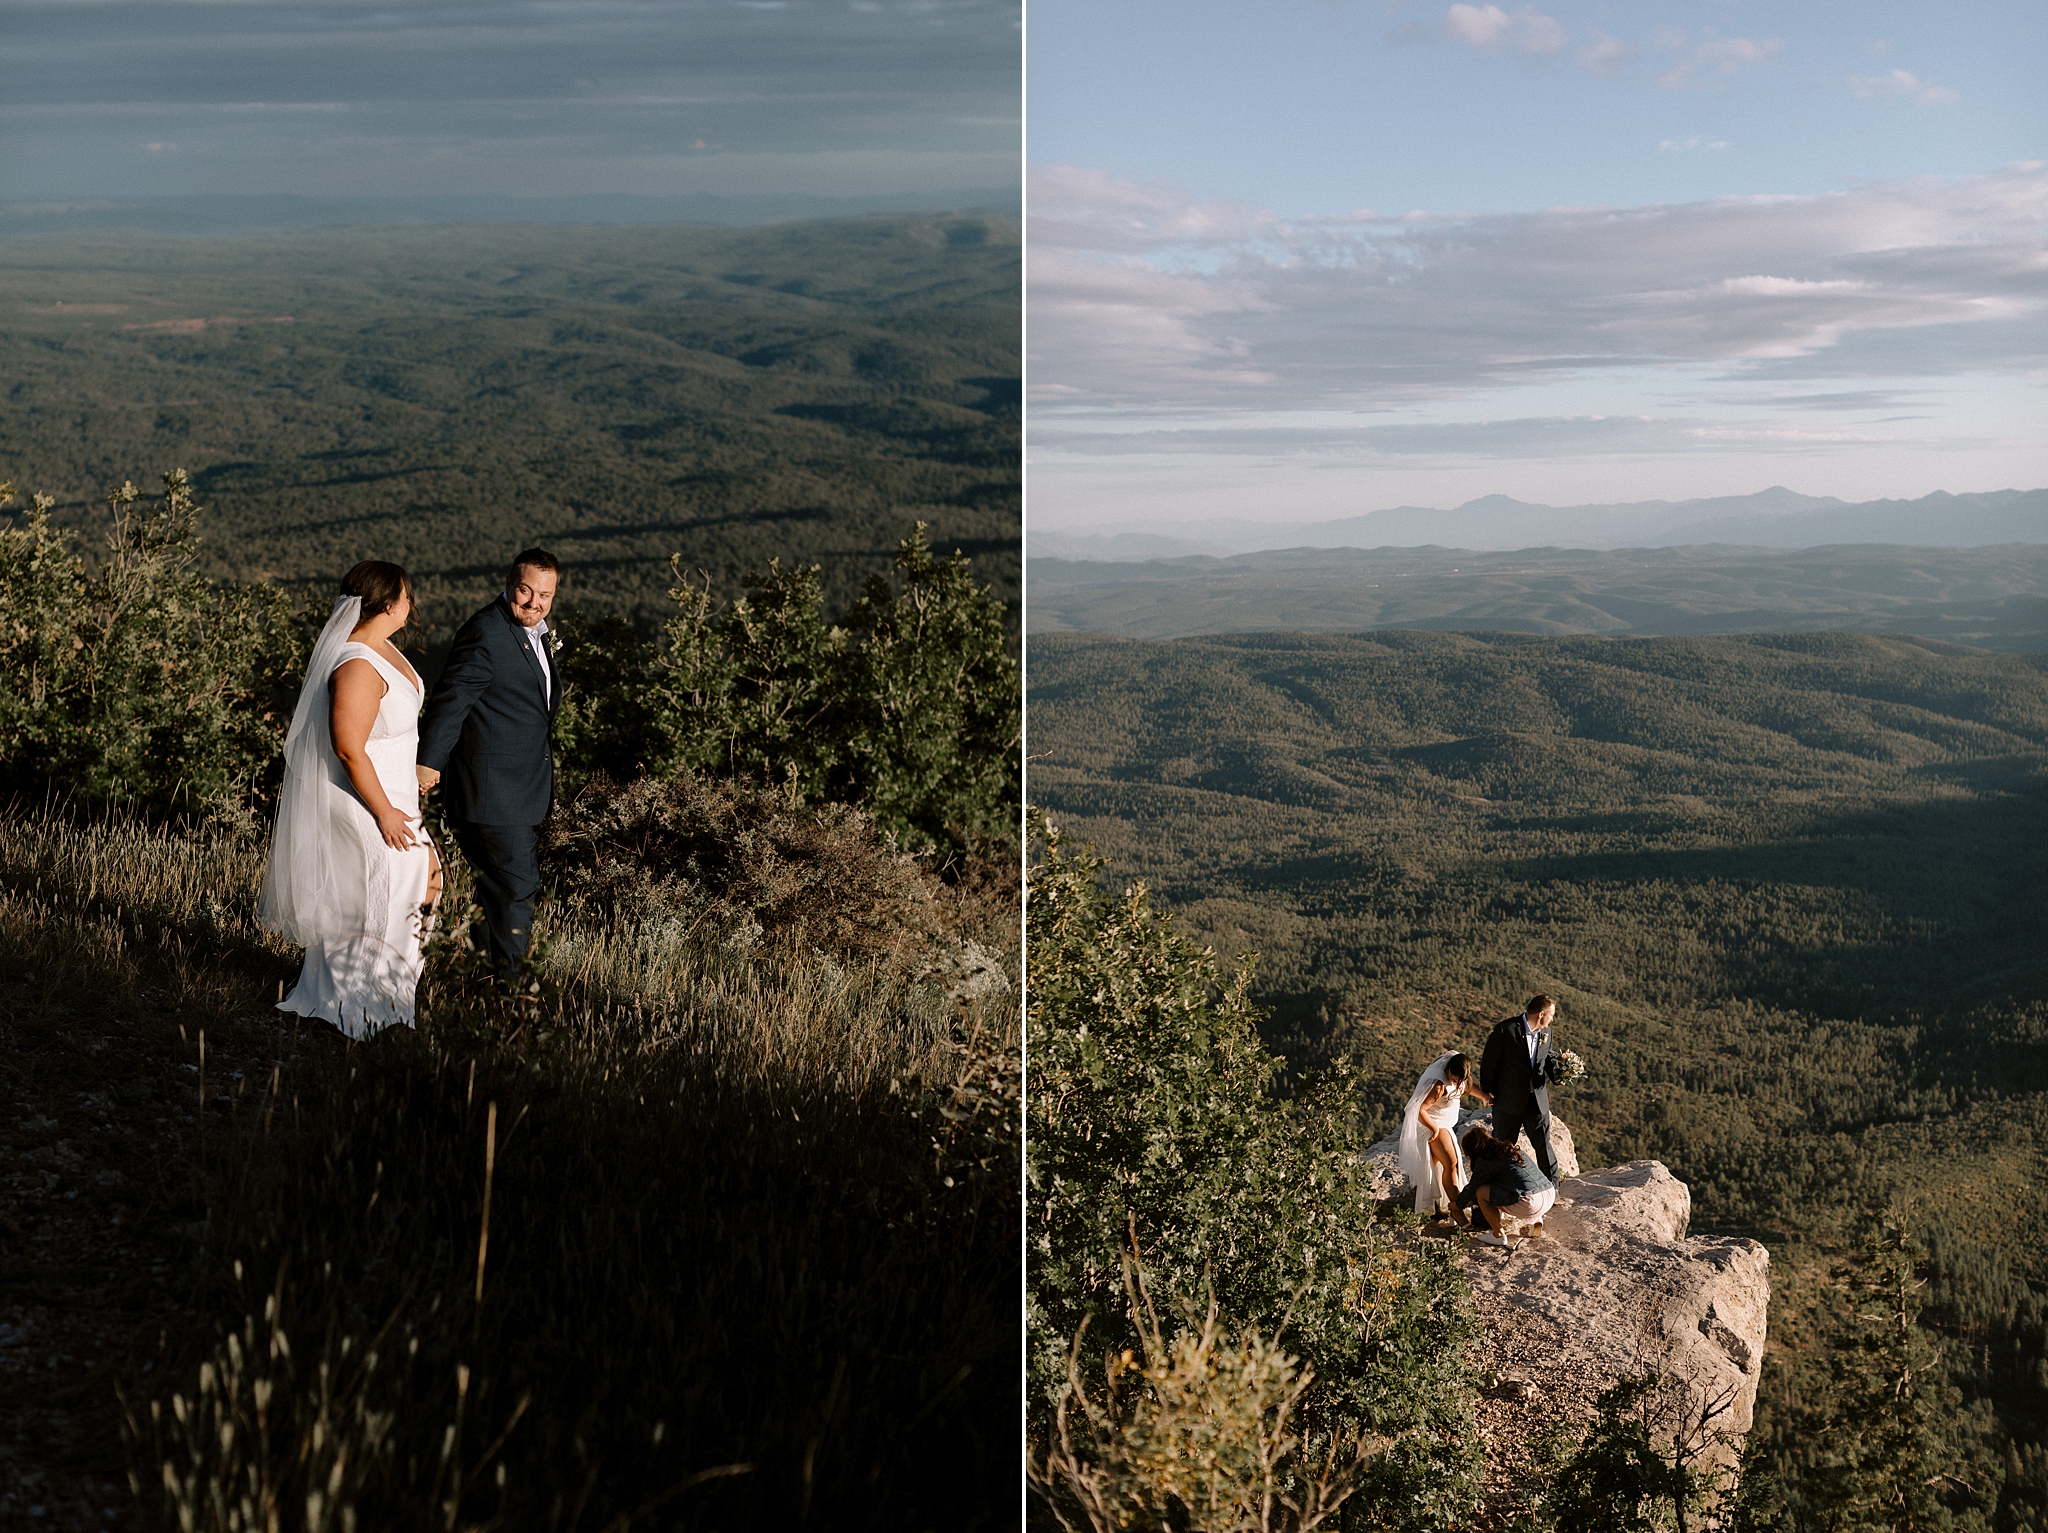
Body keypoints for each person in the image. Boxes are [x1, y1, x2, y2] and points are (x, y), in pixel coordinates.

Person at [260, 561, 442, 1038]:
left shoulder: (381, 648)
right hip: (368, 800)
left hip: (396, 792)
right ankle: (358, 1009)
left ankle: (388, 1001)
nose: (411, 604)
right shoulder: (358, 663)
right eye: (406, 596)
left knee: (424, 884)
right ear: (386, 603)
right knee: (388, 896)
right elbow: (347, 746)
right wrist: (383, 810)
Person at [416, 550, 562, 986]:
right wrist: (427, 765)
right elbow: (451, 702)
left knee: (496, 891)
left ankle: (484, 981)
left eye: (545, 595)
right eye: (525, 590)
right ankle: (514, 994)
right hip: (491, 794)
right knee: (518, 888)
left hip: (516, 788)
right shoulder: (486, 632)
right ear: (509, 582)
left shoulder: (535, 632)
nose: (534, 602)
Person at [1397, 1050, 1491, 1221]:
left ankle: (1436, 1207)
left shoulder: (1460, 1071)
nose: (1456, 1084)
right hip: (1433, 1124)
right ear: (1448, 1072)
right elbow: (1419, 1110)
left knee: (1435, 1168)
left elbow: (1468, 1087)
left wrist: (1484, 1096)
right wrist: (1434, 1129)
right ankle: (1457, 1211)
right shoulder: (1439, 1086)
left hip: (1444, 1124)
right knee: (1451, 1165)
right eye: (1454, 1080)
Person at [1479, 993, 1562, 1184]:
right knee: (1502, 1147)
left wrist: (1559, 1074)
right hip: (1508, 1102)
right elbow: (1489, 1063)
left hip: (1537, 1101)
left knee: (1543, 1145)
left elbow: (1547, 1057)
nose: (1552, 1019)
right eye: (1551, 1015)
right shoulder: (1505, 1030)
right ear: (1541, 1014)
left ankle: (1552, 1186)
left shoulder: (1546, 1033)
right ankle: (1497, 1187)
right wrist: (1488, 1091)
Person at [1457, 1125, 1556, 1250]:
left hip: (1530, 1203)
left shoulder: (1486, 1162)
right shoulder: (1511, 1150)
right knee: (1519, 1185)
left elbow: (1472, 1188)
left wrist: (1458, 1204)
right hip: (1548, 1193)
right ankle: (1536, 1220)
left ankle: (1498, 1235)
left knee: (1481, 1192)